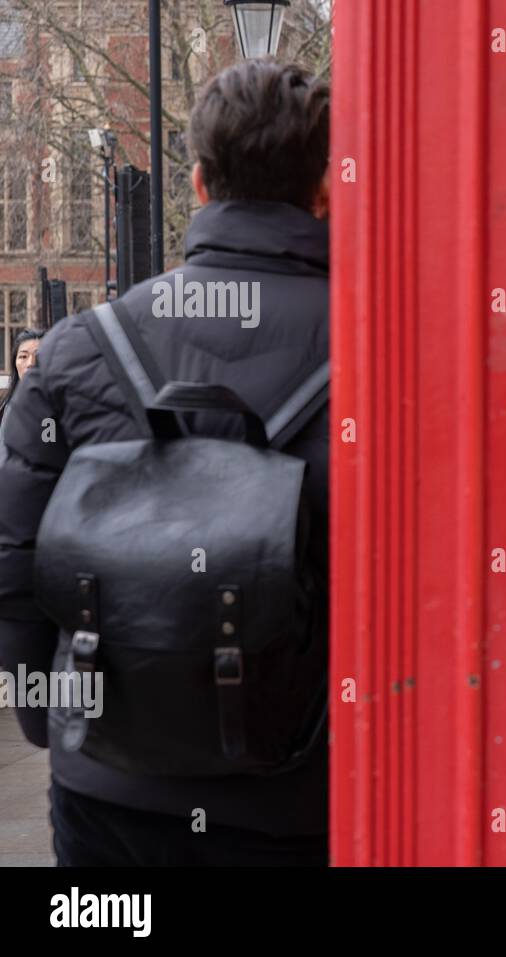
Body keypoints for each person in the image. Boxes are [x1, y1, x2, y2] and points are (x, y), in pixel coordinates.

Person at [0, 59, 331, 865]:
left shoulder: (78, 350)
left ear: (195, 183)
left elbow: (13, 561)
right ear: (326, 189)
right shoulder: (398, 354)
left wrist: (56, 718)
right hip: (308, 798)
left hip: (111, 797)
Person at [0, 329, 43, 427]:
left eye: (38, 356)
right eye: (23, 356)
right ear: (15, 363)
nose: (30, 363)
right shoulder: (8, 406)